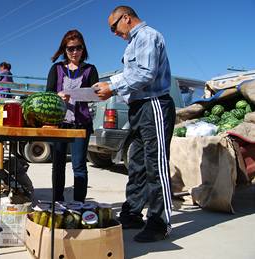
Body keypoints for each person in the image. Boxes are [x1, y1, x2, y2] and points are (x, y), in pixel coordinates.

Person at [94, 6, 175, 242]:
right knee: (137, 163)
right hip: (139, 108)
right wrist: (107, 88)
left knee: (155, 164)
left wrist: (112, 85)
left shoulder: (148, 36)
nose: (114, 33)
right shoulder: (133, 43)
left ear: (126, 18)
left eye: (114, 27)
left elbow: (145, 73)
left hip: (154, 105)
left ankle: (160, 224)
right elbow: (132, 77)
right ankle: (131, 214)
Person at [46, 30, 99, 202]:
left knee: (79, 166)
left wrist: (82, 95)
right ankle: (57, 202)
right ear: (64, 50)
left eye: (78, 48)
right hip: (59, 124)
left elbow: (96, 95)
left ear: (83, 49)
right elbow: (48, 94)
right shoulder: (57, 69)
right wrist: (57, 96)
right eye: (70, 49)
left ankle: (79, 205)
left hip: (81, 124)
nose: (74, 52)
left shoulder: (90, 70)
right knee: (58, 166)